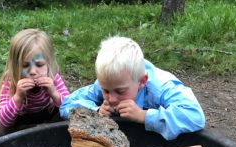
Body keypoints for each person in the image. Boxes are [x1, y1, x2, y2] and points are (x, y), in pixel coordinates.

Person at [59, 36, 205, 140]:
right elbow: (67, 104)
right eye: (106, 91)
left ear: (142, 81)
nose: (111, 98)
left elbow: (195, 116)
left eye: (120, 91)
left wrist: (143, 116)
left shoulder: (160, 88)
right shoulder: (110, 83)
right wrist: (95, 111)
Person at [0, 28, 70, 136]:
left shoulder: (53, 76)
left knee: (67, 119)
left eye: (39, 65)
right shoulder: (11, 81)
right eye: (25, 65)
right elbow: (3, 121)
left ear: (49, 63)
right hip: (23, 124)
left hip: (48, 119)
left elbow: (71, 108)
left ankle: (46, 134)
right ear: (15, 66)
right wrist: (18, 97)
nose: (33, 71)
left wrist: (54, 93)